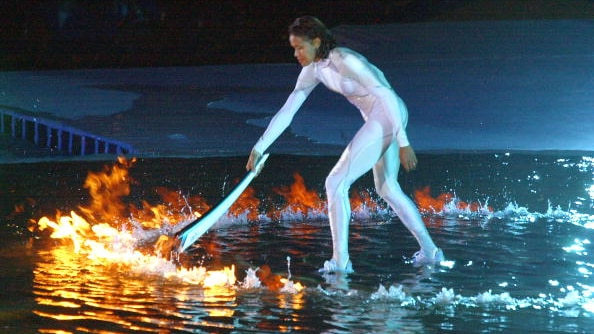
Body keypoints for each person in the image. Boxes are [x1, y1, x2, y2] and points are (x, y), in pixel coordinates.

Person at [246, 16, 443, 273]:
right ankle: (431, 252)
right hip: (379, 119)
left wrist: (403, 141)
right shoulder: (313, 70)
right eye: (293, 48)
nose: (296, 53)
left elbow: (385, 93)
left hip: (388, 113)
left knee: (335, 182)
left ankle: (341, 262)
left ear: (316, 42)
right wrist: (260, 147)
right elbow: (288, 111)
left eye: (300, 47)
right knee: (386, 187)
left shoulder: (345, 60)